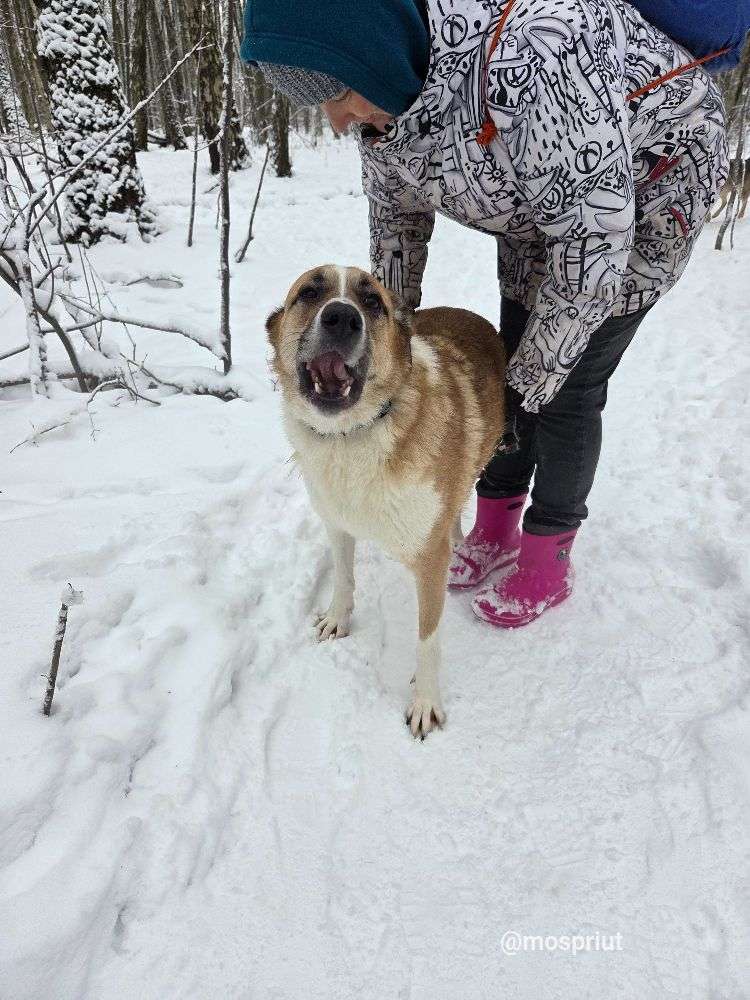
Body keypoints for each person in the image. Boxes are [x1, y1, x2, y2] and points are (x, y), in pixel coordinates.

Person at [242, 0, 730, 628]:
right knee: (511, 364)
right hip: (541, 218)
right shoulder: (385, 114)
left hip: (645, 206)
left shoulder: (537, 60)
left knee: (564, 387)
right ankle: (496, 524)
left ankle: (549, 551)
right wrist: (385, 346)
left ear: (368, 48)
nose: (336, 120)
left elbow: (594, 243)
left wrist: (530, 383)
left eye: (334, 91)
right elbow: (396, 229)